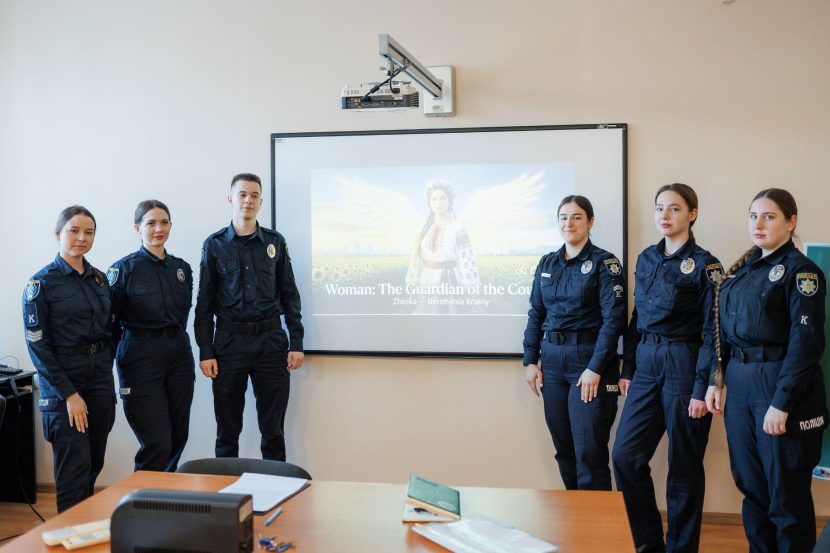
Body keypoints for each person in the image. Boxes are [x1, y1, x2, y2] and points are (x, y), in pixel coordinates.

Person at [706, 189, 827, 553]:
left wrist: (782, 402)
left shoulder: (802, 272)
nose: (758, 224)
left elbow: (806, 344)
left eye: (769, 216)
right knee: (751, 487)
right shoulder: (741, 272)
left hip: (777, 385)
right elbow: (722, 333)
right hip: (740, 385)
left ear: (791, 222)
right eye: (753, 216)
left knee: (785, 493)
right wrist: (716, 380)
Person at [612, 183, 723, 553]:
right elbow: (637, 317)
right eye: (660, 207)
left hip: (685, 362)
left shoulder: (707, 265)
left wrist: (702, 387)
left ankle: (681, 548)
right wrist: (628, 367)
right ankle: (648, 544)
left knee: (684, 466)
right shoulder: (646, 258)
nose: (665, 215)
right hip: (646, 361)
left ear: (692, 214)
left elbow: (713, 331)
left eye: (674, 208)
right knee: (625, 455)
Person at [194, 173, 304, 461]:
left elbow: (290, 295)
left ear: (261, 201)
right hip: (229, 344)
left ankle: (276, 484)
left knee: (273, 430)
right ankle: (225, 486)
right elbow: (204, 304)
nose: (248, 200)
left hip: (270, 343)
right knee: (227, 430)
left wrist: (296, 342)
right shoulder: (214, 244)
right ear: (231, 199)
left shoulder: (275, 242)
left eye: (254, 195)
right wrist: (206, 350)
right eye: (242, 194)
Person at [522, 195, 625, 490]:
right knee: (564, 450)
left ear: (590, 222)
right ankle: (576, 515)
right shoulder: (547, 263)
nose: (569, 223)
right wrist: (530, 360)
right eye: (563, 217)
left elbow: (613, 320)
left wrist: (595, 368)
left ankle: (597, 520)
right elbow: (536, 313)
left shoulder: (604, 263)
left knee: (589, 454)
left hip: (588, 362)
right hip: (552, 363)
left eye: (577, 217)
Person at [22, 206, 115, 512]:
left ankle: (83, 527)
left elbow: (109, 331)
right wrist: (69, 395)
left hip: (98, 380)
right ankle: (68, 532)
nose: (82, 238)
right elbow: (38, 347)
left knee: (93, 462)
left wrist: (105, 369)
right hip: (64, 385)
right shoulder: (41, 285)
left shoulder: (99, 279)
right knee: (73, 470)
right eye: (74, 231)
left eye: (89, 232)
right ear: (58, 234)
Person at [108, 200, 195, 472]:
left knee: (178, 435)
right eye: (151, 223)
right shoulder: (122, 270)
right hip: (140, 355)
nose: (159, 229)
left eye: (164, 222)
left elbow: (184, 313)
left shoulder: (181, 269)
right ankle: (145, 494)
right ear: (137, 228)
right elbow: (110, 324)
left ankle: (164, 492)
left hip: (178, 353)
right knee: (156, 442)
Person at [405, 181, 479, 312]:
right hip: (427, 280)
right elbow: (415, 258)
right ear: (429, 203)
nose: (438, 203)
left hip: (450, 280)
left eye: (442, 198)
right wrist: (413, 282)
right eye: (434, 199)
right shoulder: (423, 228)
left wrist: (469, 286)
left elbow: (466, 258)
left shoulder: (457, 228)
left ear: (449, 201)